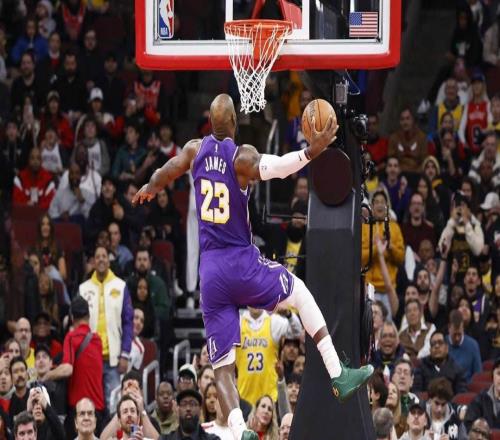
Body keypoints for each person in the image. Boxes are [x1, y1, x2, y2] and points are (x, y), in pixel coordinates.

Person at [133, 93, 374, 440]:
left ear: (210, 123)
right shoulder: (241, 157)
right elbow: (279, 167)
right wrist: (311, 151)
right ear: (234, 121)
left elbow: (165, 171)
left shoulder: (193, 150)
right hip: (240, 261)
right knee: (300, 293)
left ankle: (240, 430)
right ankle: (338, 373)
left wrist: (149, 187)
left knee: (222, 366)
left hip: (210, 273)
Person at [42, 296, 105, 439]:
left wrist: (46, 375)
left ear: (71, 317)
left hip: (79, 411)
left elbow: (67, 369)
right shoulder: (97, 339)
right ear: (89, 316)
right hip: (98, 409)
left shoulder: (71, 337)